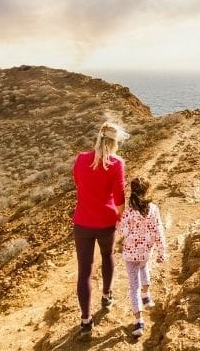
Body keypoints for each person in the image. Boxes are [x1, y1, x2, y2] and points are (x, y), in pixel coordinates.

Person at [71, 121, 127, 338]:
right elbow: (120, 197)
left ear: (98, 138)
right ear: (115, 142)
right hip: (106, 222)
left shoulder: (81, 159)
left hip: (83, 222)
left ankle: (85, 321)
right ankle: (106, 296)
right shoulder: (116, 163)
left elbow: (78, 183)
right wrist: (120, 216)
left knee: (84, 271)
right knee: (107, 256)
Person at [116, 177, 167, 338]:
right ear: (147, 191)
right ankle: (147, 296)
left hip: (131, 253)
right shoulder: (154, 209)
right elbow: (159, 231)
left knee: (133, 287)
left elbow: (122, 232)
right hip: (146, 251)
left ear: (132, 192)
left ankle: (139, 322)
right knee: (145, 268)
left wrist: (118, 223)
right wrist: (161, 252)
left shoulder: (129, 211)